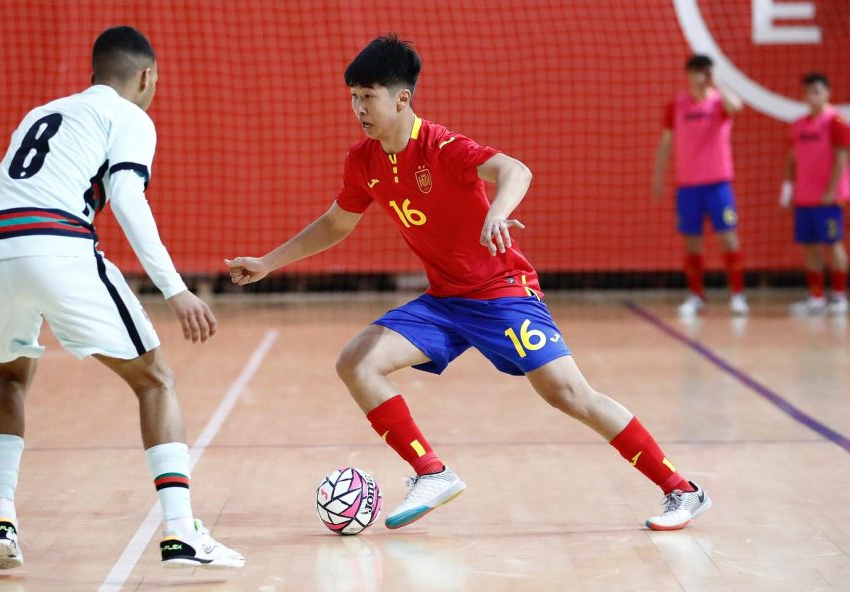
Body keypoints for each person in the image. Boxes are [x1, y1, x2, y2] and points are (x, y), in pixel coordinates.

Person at [226, 34, 710, 531]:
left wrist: (498, 213)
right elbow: (334, 224)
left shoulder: (441, 146)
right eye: (352, 96)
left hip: (502, 292)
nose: (358, 108)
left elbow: (514, 170)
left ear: (402, 98)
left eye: (367, 97)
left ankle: (681, 489)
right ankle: (430, 471)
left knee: (569, 394)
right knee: (357, 361)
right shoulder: (363, 161)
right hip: (446, 300)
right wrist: (268, 261)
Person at [0, 26, 243, 570]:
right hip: (57, 244)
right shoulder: (131, 117)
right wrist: (176, 289)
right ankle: (182, 531)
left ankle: (1, 517)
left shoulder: (41, 114)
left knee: (10, 376)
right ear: (146, 77)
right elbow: (128, 199)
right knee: (155, 379)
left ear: (95, 73)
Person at [652, 54, 748, 317]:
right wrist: (658, 175)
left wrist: (716, 81)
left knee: (728, 238)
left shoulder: (719, 102)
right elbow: (666, 142)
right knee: (692, 243)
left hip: (718, 185)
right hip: (688, 187)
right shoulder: (678, 105)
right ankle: (696, 296)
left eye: (704, 71)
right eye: (696, 71)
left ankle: (737, 295)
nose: (700, 76)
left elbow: (736, 107)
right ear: (688, 74)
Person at [780, 72, 849, 315]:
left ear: (827, 93)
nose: (812, 96)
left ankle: (839, 295)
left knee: (834, 243)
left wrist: (831, 190)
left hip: (828, 198)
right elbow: (792, 158)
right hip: (804, 197)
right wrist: (788, 189)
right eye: (808, 92)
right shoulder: (799, 124)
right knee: (810, 246)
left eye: (817, 91)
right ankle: (816, 296)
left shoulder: (836, 121)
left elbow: (842, 157)